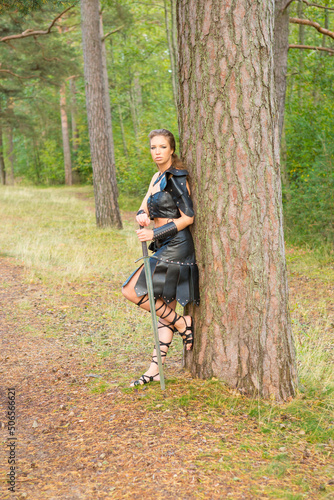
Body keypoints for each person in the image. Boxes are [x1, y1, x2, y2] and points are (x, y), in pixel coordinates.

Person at [122, 129, 200, 387]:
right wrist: (141, 217)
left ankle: (182, 322)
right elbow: (143, 206)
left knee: (132, 291)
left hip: (177, 246)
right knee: (164, 304)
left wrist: (154, 231)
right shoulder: (156, 177)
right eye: (153, 147)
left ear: (171, 149)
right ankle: (155, 369)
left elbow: (188, 218)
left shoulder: (176, 178)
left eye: (162, 147)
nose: (157, 152)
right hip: (163, 245)